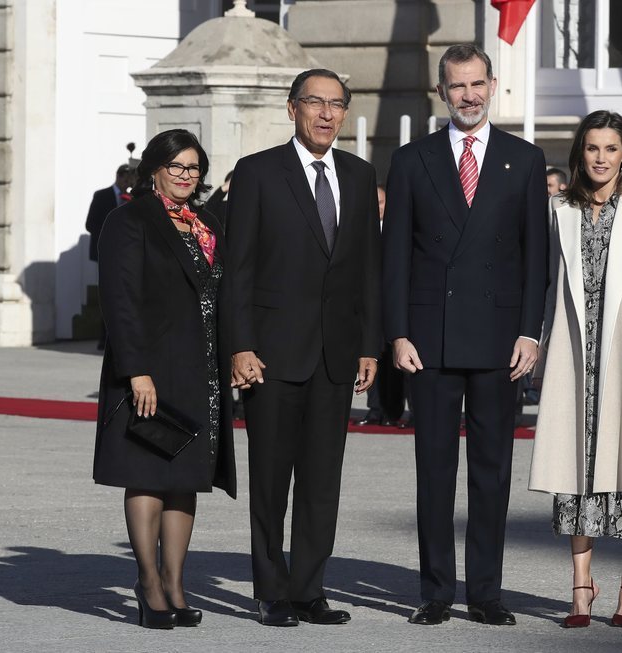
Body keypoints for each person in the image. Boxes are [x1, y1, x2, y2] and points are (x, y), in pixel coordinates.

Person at [383, 43, 547, 627]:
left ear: (493, 84)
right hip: (429, 341)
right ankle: (434, 592)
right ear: (441, 92)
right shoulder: (411, 160)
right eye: (457, 87)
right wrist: (397, 333)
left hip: (501, 341)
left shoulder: (525, 160)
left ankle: (485, 592)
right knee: (434, 470)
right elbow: (394, 255)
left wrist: (531, 332)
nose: (469, 96)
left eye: (477, 85)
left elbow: (536, 259)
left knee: (491, 472)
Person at [226, 68, 382, 627]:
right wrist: (240, 345)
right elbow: (237, 268)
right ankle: (270, 588)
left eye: (336, 104)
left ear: (345, 113)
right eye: (313, 102)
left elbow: (368, 266)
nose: (325, 114)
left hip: (336, 355)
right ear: (291, 108)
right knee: (270, 479)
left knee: (322, 481)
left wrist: (369, 344)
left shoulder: (361, 177)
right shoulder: (258, 172)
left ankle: (309, 587)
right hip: (270, 354)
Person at [529, 110, 622, 629]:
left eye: (611, 149)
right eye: (592, 148)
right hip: (575, 362)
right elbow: (548, 289)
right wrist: (539, 350)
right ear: (580, 153)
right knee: (576, 474)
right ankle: (580, 590)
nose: (600, 158)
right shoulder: (559, 210)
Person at [93, 129, 236, 629]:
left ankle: (176, 582)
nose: (185, 176)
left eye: (193, 168)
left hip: (201, 371)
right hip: (149, 371)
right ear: (154, 169)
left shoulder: (207, 222)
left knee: (185, 481)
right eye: (176, 167)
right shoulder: (128, 221)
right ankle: (149, 582)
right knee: (149, 473)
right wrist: (137, 371)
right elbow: (120, 301)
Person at [355, 184, 405, 426]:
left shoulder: (397, 230)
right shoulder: (358, 229)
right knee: (369, 355)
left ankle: (392, 411)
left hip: (393, 303)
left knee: (392, 362)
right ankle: (374, 409)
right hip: (367, 305)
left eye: (381, 202)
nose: (377, 207)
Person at [86, 164, 134, 262]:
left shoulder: (132, 198)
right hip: (104, 251)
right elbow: (90, 224)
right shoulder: (101, 195)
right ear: (118, 177)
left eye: (130, 182)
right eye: (126, 180)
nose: (127, 184)